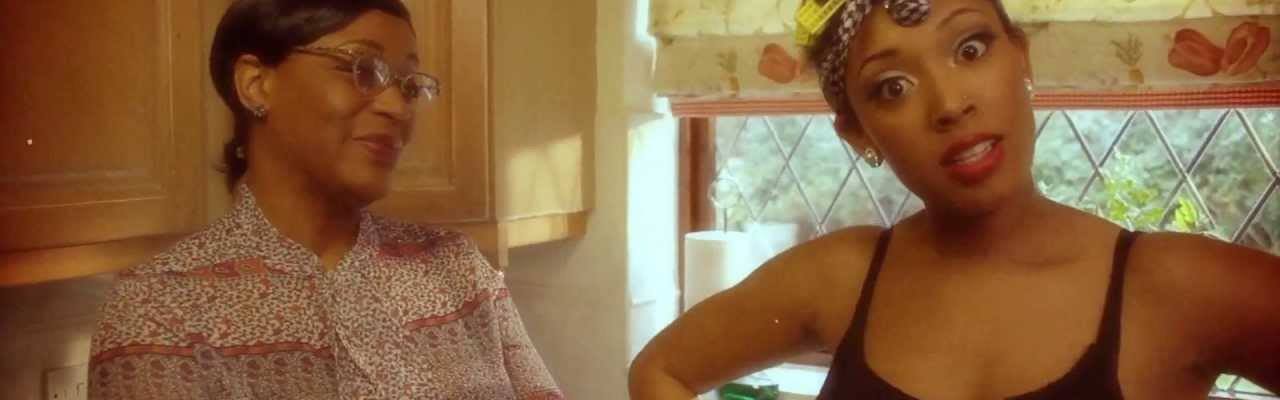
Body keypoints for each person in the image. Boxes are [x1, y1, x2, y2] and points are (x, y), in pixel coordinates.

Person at [629, 0, 1280, 398]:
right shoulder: (837, 278)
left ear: (1022, 59)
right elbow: (660, 371)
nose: (949, 104)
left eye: (970, 48)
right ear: (858, 133)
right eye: (892, 87)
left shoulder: (1182, 288)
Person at [88, 1, 561, 398]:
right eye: (361, 69)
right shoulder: (162, 311)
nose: (398, 107)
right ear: (256, 84)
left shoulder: (457, 271)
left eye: (408, 84)